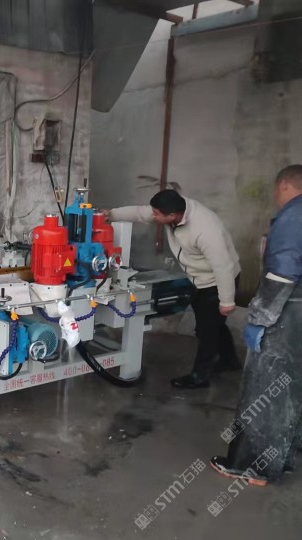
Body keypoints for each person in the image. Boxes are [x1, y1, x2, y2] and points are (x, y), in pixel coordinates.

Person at [210, 165, 302, 486]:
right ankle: (282, 459)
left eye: (276, 190)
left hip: (287, 313)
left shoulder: (293, 216)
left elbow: (282, 274)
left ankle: (253, 467)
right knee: (291, 388)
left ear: (284, 185)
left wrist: (260, 318)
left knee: (265, 388)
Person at [105, 189, 241, 389]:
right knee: (213, 324)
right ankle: (230, 360)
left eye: (157, 214)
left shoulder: (206, 230)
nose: (153, 216)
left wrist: (227, 300)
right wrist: (111, 215)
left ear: (171, 216)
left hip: (216, 281)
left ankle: (199, 376)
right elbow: (141, 213)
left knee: (206, 331)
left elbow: (224, 266)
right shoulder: (174, 209)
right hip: (198, 278)